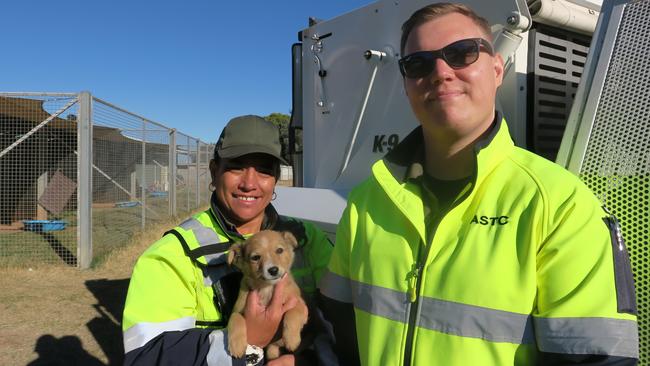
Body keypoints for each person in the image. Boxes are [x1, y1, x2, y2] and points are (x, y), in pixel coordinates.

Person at [319, 3, 639, 365]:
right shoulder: (365, 202)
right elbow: (336, 333)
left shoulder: (562, 204)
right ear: (407, 85)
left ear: (497, 68)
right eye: (418, 64)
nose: (440, 72)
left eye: (461, 53)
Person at [122, 115, 333, 366]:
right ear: (214, 171)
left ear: (275, 178)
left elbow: (343, 320)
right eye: (236, 166)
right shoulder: (172, 255)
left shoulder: (307, 237)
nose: (249, 183)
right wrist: (251, 345)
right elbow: (146, 357)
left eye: (264, 170)